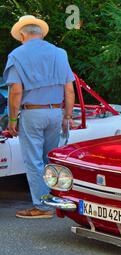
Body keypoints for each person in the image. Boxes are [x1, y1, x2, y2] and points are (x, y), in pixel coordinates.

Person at [3, 15, 75, 219]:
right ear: (41, 33)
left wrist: (13, 119)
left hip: (32, 113)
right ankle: (55, 200)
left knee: (33, 161)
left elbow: (16, 91)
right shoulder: (60, 53)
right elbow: (69, 89)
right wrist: (67, 115)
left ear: (23, 35)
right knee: (50, 159)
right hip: (55, 112)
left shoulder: (17, 55)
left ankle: (42, 207)